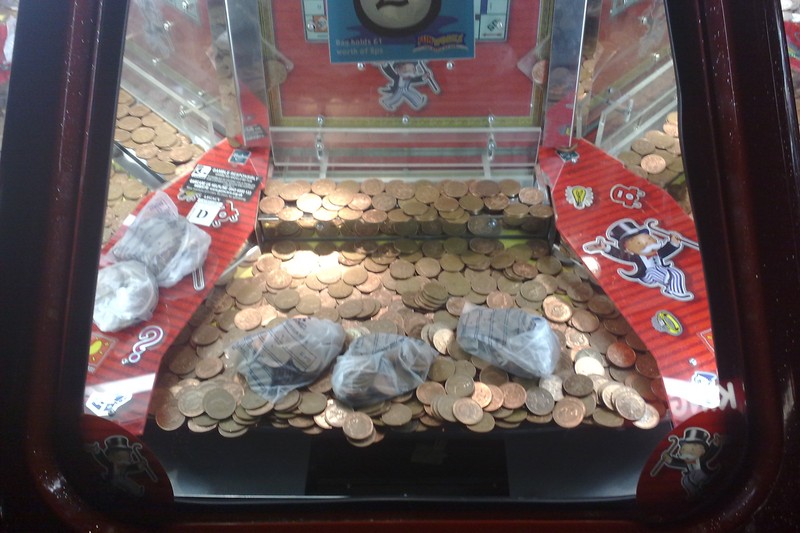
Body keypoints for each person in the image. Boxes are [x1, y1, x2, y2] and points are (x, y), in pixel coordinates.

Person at [583, 218, 693, 301]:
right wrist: (606, 248)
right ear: (628, 249)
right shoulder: (634, 257)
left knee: (676, 273)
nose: (649, 244)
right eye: (640, 243)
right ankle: (673, 289)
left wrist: (673, 242)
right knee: (662, 273)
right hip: (647, 275)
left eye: (649, 239)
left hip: (662, 272)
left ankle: (678, 292)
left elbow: (667, 250)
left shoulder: (658, 252)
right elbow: (618, 255)